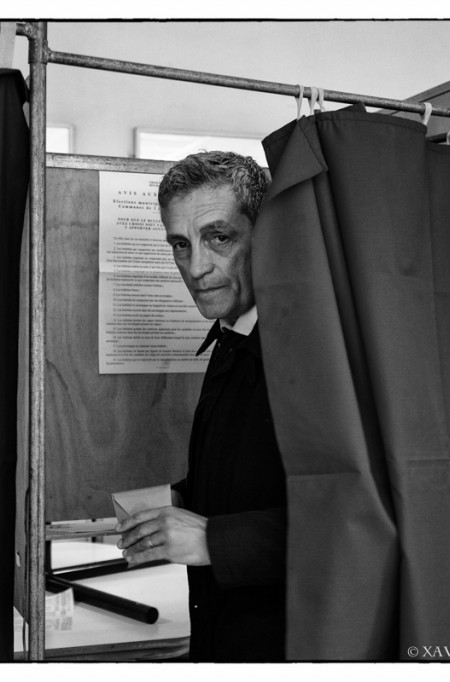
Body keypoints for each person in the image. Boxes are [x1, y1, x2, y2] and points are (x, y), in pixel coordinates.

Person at [115, 151, 287, 662]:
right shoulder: (230, 336)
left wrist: (215, 538)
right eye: (180, 244)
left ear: (265, 235)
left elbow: (358, 519)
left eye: (219, 237)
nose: (195, 268)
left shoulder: (310, 358)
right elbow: (253, 476)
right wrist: (174, 499)